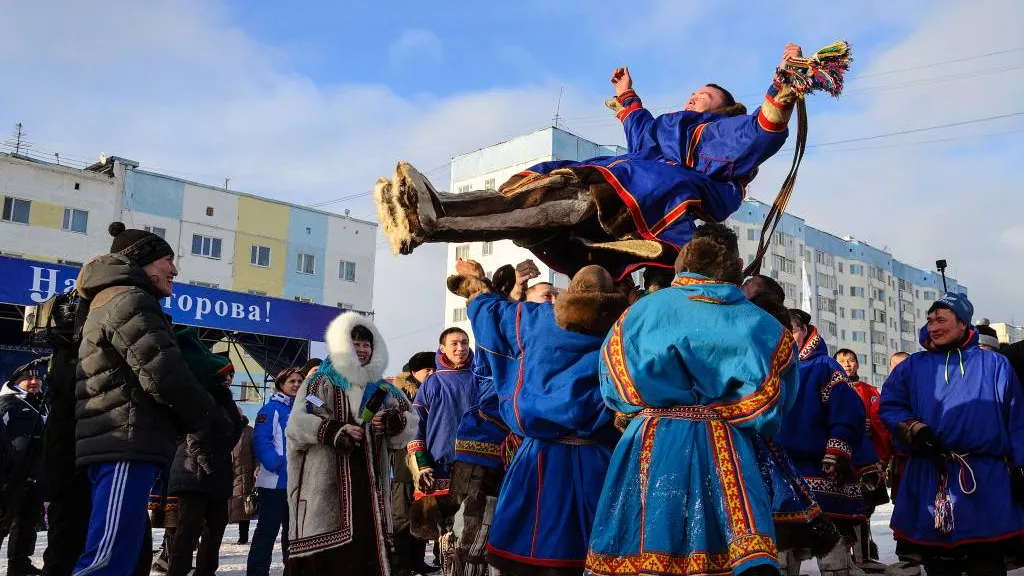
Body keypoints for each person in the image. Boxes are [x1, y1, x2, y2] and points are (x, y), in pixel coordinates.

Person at [375, 43, 857, 279]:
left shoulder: (716, 133)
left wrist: (785, 87)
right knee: (536, 207)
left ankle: (434, 215)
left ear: (723, 107)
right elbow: (643, 132)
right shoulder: (672, 129)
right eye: (693, 91)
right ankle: (434, 218)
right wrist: (627, 97)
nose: (694, 96)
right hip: (631, 185)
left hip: (647, 200)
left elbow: (757, 135)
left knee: (552, 199)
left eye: (705, 94)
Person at [585, 223, 799, 576]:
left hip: (648, 442)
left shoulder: (638, 313)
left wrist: (642, 409)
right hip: (727, 443)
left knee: (639, 543)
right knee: (731, 549)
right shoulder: (759, 323)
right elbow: (774, 400)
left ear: (683, 264)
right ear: (735, 265)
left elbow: (614, 384)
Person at [448, 259, 626, 576]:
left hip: (542, 457)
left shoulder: (537, 321)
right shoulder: (624, 331)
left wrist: (476, 285)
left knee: (533, 549)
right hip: (602, 458)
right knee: (603, 552)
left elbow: (491, 313)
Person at [73, 222, 215, 576]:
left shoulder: (115, 300)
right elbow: (164, 373)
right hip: (125, 441)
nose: (175, 270)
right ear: (145, 262)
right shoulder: (129, 300)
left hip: (127, 441)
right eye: (168, 260)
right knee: (107, 558)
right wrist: (204, 415)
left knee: (124, 554)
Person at [879, 293, 1024, 576]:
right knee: (939, 563)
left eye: (941, 319)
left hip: (985, 479)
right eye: (930, 320)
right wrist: (915, 429)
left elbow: (1017, 419)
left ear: (962, 324)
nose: (933, 326)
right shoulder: (912, 366)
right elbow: (891, 405)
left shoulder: (995, 365)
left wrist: (1021, 465)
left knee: (986, 562)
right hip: (932, 476)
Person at [285, 312, 419, 574]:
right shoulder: (318, 382)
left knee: (368, 549)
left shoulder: (384, 388)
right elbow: (297, 424)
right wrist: (334, 430)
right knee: (329, 559)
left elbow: (410, 420)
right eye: (354, 343)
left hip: (372, 486)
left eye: (366, 344)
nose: (361, 349)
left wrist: (392, 422)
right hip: (325, 488)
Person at [775, 308, 873, 575]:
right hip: (780, 471)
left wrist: (837, 450)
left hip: (820, 467)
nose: (786, 337)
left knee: (831, 552)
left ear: (805, 330)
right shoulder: (771, 367)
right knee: (782, 553)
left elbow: (848, 412)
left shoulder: (824, 366)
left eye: (791, 330)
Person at [165, 333, 243, 576]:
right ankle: (176, 571)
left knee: (216, 529)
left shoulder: (225, 402)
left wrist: (240, 423)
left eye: (231, 376)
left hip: (215, 476)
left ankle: (206, 572)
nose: (229, 379)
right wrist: (211, 466)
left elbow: (230, 438)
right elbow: (194, 437)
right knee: (188, 532)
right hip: (194, 475)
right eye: (225, 375)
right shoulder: (202, 397)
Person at [407, 328, 479, 551]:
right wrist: (421, 464)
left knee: (474, 534)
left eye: (465, 343)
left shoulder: (481, 379)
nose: (460, 348)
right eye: (454, 343)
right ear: (442, 348)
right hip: (440, 465)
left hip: (478, 465)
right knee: (445, 535)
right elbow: (416, 425)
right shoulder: (432, 382)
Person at [833, 348, 890, 569]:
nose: (847, 364)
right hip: (841, 461)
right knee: (841, 510)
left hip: (866, 460)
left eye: (851, 360)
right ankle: (844, 559)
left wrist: (870, 427)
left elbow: (882, 424)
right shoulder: (831, 389)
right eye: (841, 361)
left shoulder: (869, 391)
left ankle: (864, 555)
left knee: (866, 510)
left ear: (857, 364)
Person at [246, 368, 302, 576]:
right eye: (291, 381)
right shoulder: (270, 409)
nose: (296, 384)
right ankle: (257, 572)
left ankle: (293, 571)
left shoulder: (302, 409)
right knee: (267, 532)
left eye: (299, 381)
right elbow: (261, 440)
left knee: (294, 533)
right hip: (274, 483)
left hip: (297, 483)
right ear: (280, 384)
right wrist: (277, 464)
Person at [392, 353, 439, 576]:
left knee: (422, 510)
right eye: (426, 370)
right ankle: (401, 564)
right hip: (402, 463)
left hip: (426, 461)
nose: (430, 373)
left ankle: (418, 560)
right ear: (414, 372)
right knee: (401, 514)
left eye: (433, 369)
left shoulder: (434, 392)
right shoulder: (400, 395)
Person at [0, 362, 49, 576]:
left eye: (37, 378)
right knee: (2, 520)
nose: (34, 382)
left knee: (27, 521)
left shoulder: (43, 405)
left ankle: (19, 563)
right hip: (11, 474)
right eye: (28, 379)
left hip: (35, 473)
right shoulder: (7, 403)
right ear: (16, 382)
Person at [229, 414, 256, 545]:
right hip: (227, 473)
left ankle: (243, 536)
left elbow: (256, 452)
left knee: (243, 505)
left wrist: (257, 468)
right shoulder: (225, 429)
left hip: (244, 472)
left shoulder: (249, 431)